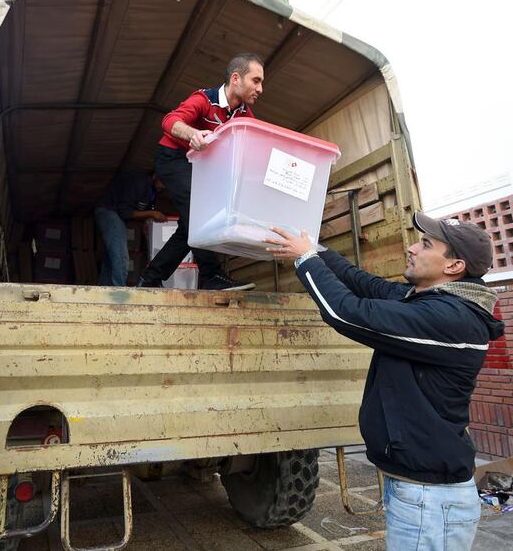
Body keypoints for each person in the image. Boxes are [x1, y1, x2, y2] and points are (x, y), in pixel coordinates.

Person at [265, 212, 503, 550]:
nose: (411, 248)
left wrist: (304, 259)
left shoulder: (451, 318)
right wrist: (312, 246)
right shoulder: (429, 301)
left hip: (431, 501)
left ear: (453, 267)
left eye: (425, 244)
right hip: (419, 492)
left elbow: (346, 311)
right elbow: (360, 281)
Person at [136, 52, 264, 290]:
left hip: (203, 169)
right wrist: (192, 134)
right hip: (174, 159)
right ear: (236, 78)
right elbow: (169, 121)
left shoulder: (245, 116)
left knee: (189, 228)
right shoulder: (205, 99)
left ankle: (149, 279)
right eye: (256, 80)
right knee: (200, 213)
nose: (260, 88)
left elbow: (252, 149)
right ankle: (211, 275)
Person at [94, 172, 166, 286]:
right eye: (163, 181)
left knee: (111, 258)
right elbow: (125, 212)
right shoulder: (140, 183)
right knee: (120, 256)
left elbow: (139, 212)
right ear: (155, 176)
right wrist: (152, 213)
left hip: (118, 216)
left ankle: (104, 290)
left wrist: (146, 223)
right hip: (108, 211)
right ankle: (120, 292)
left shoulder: (152, 193)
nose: (163, 186)